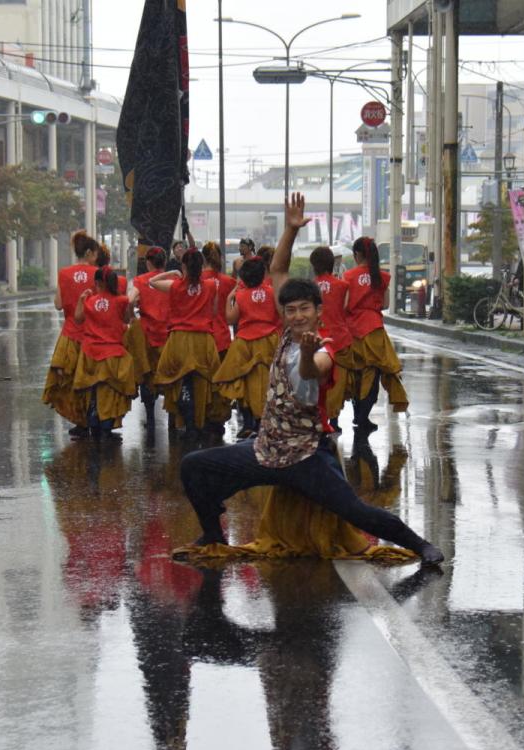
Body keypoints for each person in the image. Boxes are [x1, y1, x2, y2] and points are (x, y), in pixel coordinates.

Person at [175, 193, 444, 565]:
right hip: (266, 449)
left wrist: (305, 353)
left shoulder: (324, 346)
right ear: (284, 313)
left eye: (305, 309)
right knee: (194, 466)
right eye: (291, 310)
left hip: (305, 457)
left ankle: (419, 544)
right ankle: (212, 531)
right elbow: (279, 272)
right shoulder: (286, 330)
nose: (298, 315)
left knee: (358, 514)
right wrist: (289, 229)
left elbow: (311, 372)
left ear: (319, 312)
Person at [150, 248, 221, 433]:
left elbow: (152, 281)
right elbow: (213, 312)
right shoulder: (212, 285)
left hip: (179, 339)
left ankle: (187, 422)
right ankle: (199, 423)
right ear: (202, 265)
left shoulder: (174, 286)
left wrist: (173, 273)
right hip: (203, 340)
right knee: (203, 381)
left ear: (184, 265)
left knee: (180, 380)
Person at [345, 236, 408, 431]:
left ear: (356, 255)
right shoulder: (381, 276)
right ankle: (363, 417)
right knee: (372, 373)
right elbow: (386, 305)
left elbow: (345, 305)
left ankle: (357, 414)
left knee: (355, 372)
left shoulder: (348, 276)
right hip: (374, 329)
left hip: (353, 329)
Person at [212, 256, 281, 438]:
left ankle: (249, 423)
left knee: (243, 383)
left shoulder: (241, 295)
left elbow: (230, 319)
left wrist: (229, 298)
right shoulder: (273, 292)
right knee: (268, 382)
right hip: (269, 341)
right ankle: (266, 422)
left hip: (245, 343)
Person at [43, 231, 100, 434]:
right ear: (89, 253)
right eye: (96, 253)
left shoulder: (64, 273)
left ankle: (80, 421)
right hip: (92, 335)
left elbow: (58, 304)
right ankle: (94, 415)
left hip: (69, 335)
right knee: (91, 378)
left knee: (71, 379)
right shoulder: (98, 274)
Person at [70, 265, 137, 437]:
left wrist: (81, 299)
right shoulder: (121, 301)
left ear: (98, 283)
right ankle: (107, 423)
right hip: (112, 355)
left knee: (92, 391)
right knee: (108, 393)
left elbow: (78, 319)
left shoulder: (90, 301)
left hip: (90, 354)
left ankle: (93, 420)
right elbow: (128, 319)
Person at [310, 245, 355, 431]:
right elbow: (345, 310)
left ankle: (321, 417)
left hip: (319, 339)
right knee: (338, 381)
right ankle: (334, 419)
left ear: (314, 265)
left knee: (319, 383)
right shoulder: (343, 285)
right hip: (340, 339)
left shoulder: (310, 286)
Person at [128, 246, 171, 423]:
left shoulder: (141, 280)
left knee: (148, 374)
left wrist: (131, 317)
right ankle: (173, 419)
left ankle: (150, 415)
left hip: (147, 333)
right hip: (169, 333)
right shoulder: (172, 279)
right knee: (170, 374)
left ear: (148, 263)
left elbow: (130, 300)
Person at [201, 241, 239, 429]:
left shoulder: (195, 280)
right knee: (221, 381)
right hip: (223, 337)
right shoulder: (228, 282)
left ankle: (203, 416)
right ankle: (219, 417)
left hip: (202, 338)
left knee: (203, 381)